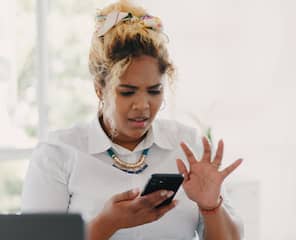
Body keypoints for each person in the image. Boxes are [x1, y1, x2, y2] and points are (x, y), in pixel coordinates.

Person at [21, 0, 244, 239]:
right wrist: (107, 223)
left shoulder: (186, 145)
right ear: (99, 89)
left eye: (154, 91)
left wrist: (210, 206)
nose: (142, 106)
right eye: (127, 92)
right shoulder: (58, 153)